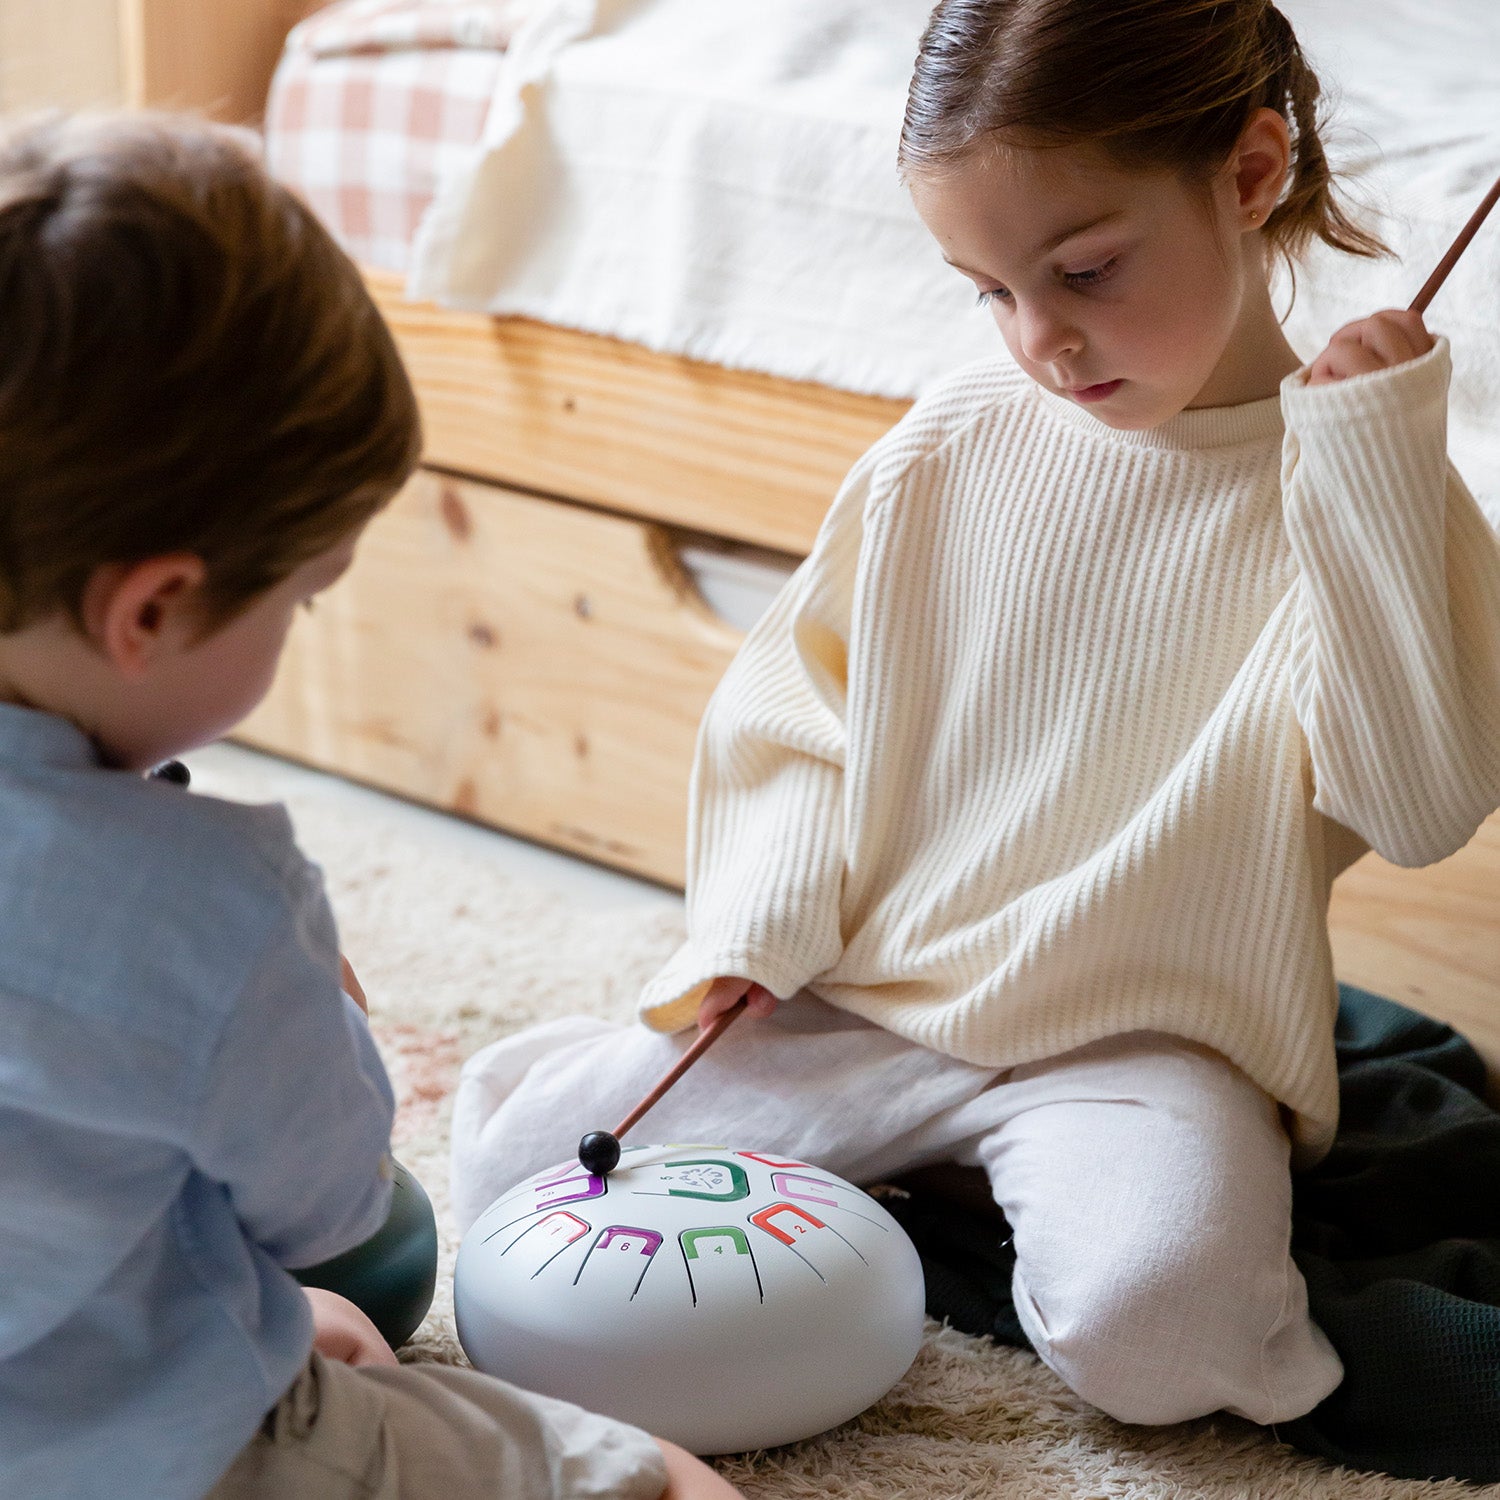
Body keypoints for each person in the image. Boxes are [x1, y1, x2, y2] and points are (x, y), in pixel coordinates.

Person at [451, 0, 1500, 1432]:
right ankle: (943, 1203)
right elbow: (795, 715)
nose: (1041, 341)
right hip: (870, 997)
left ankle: (976, 1216)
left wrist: (1374, 467)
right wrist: (755, 932)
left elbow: (1418, 803)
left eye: (1082, 270)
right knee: (524, 1174)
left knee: (1160, 1332)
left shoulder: (1367, 487)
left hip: (1139, 1045)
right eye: (987, 289)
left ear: (1252, 175)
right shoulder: (951, 441)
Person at [0, 111, 742, 1500]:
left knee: (317, 1326)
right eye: (301, 599)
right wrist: (310, 1004)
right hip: (140, 1456)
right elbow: (327, 1207)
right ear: (153, 609)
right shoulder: (208, 901)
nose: (301, 627)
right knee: (663, 1482)